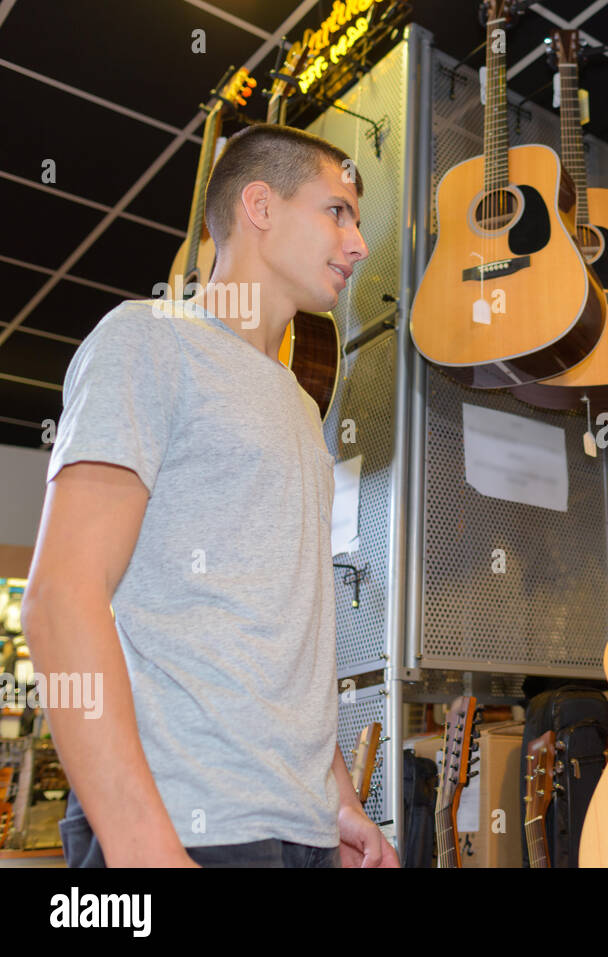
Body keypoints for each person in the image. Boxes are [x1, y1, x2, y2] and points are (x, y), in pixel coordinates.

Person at [21, 124, 396, 868]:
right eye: (337, 212)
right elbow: (59, 600)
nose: (357, 243)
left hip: (301, 829)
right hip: (185, 823)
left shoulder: (297, 402)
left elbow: (285, 630)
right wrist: (137, 844)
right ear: (260, 205)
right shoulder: (146, 340)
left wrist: (338, 799)